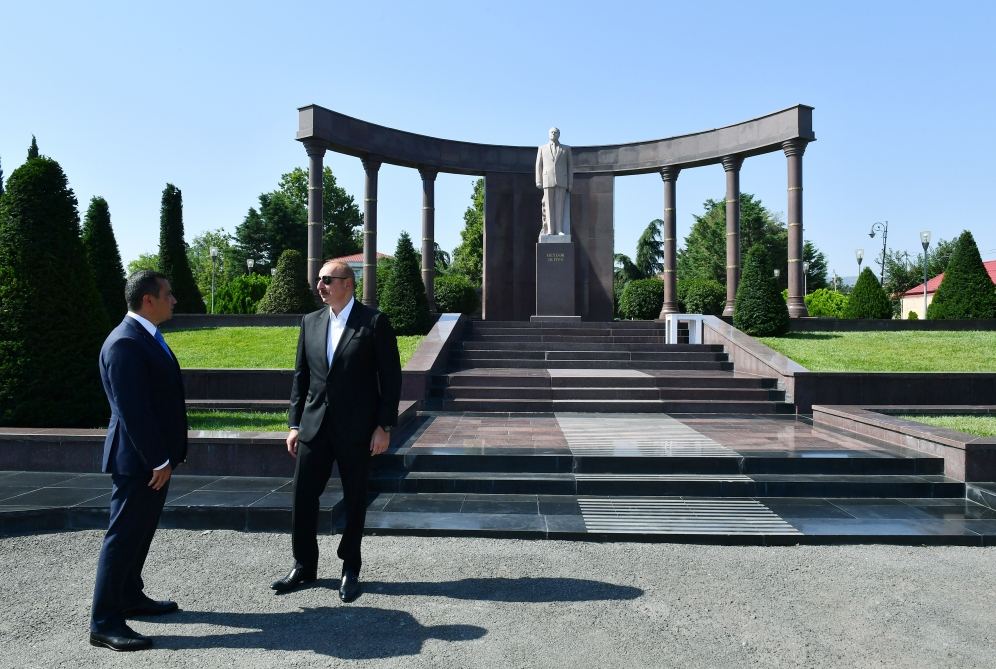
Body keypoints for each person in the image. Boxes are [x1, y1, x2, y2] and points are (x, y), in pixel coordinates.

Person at [271, 260, 401, 603]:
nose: (320, 286)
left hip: (357, 429)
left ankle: (350, 567)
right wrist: (294, 424)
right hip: (314, 426)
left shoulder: (374, 322)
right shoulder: (310, 321)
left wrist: (383, 426)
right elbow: (301, 377)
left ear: (348, 284)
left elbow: (391, 379)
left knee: (355, 498)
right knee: (302, 495)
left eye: (327, 280)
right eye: (319, 279)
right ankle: (304, 564)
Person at [90, 270, 187, 652]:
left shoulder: (145, 336)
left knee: (140, 532)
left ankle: (130, 595)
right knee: (123, 537)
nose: (174, 300)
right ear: (149, 300)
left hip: (150, 459)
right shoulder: (125, 343)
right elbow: (133, 411)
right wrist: (158, 460)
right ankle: (104, 622)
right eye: (168, 294)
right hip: (139, 461)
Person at [535, 126, 574, 237]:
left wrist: (570, 183)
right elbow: (538, 165)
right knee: (548, 206)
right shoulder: (542, 148)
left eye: (556, 132)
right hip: (547, 180)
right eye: (551, 132)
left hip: (562, 180)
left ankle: (559, 230)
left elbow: (570, 167)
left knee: (560, 207)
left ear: (559, 135)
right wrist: (538, 180)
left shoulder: (566, 149)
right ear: (548, 134)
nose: (553, 133)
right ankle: (550, 230)